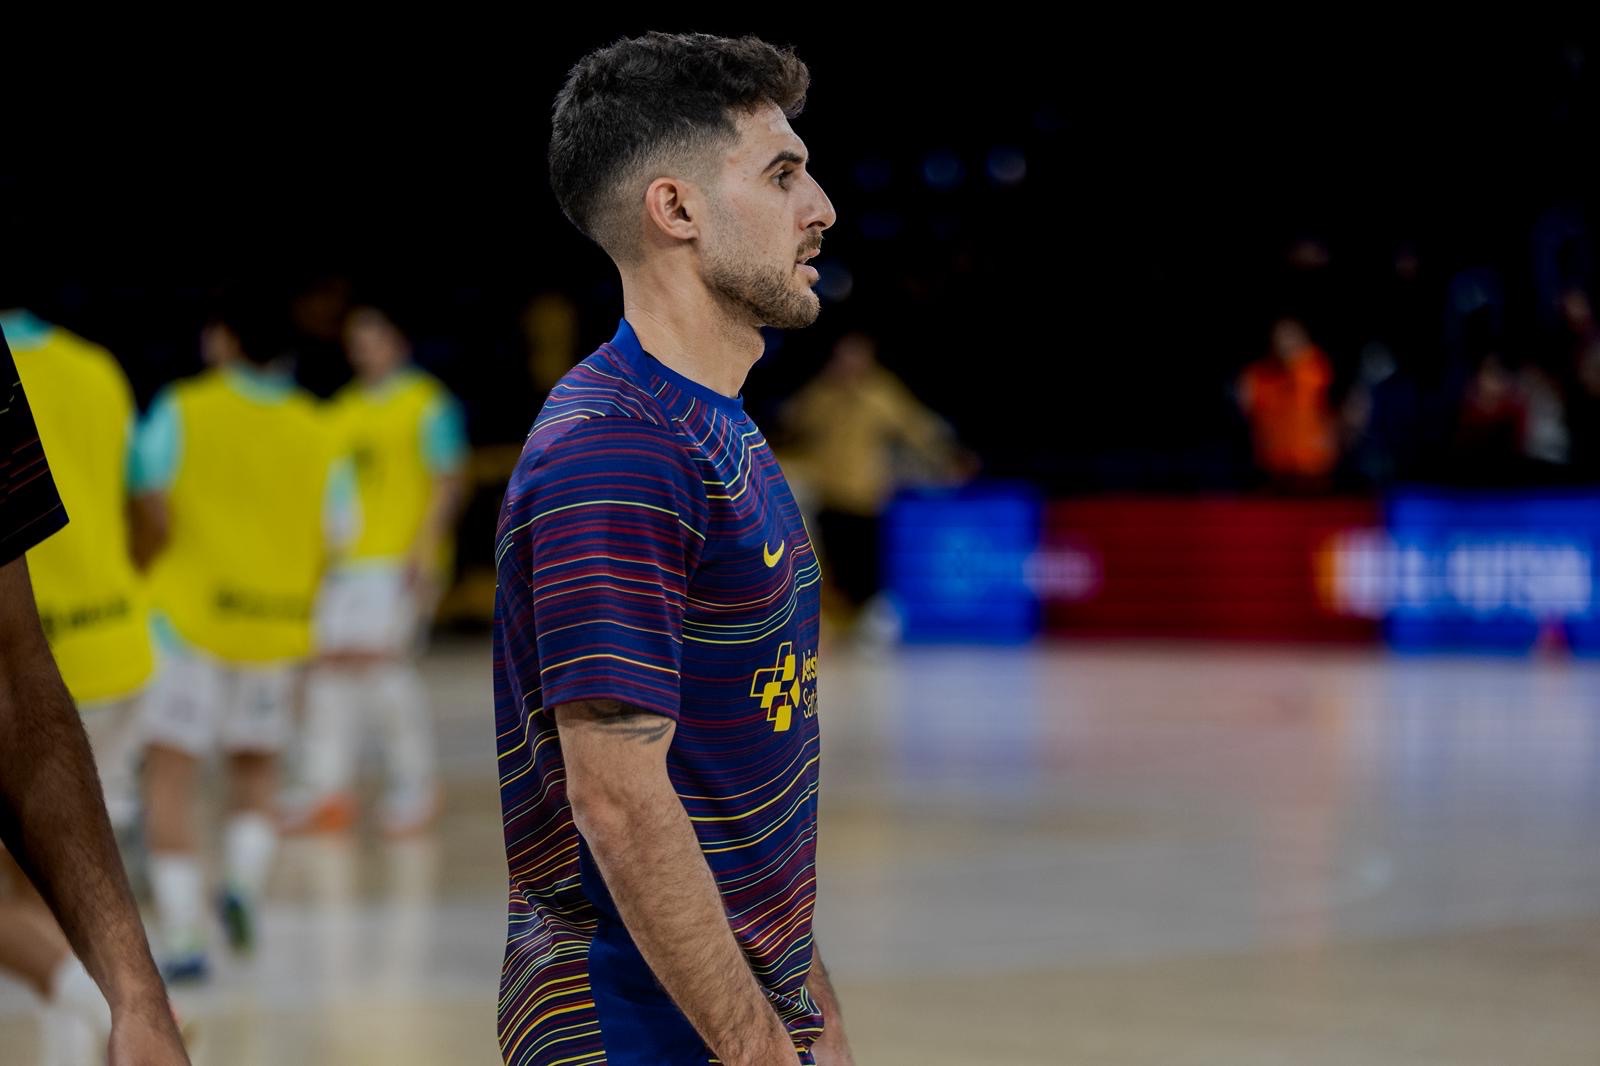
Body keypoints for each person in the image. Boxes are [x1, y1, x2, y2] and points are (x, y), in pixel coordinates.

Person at [492, 32, 852, 1065]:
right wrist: (758, 1049)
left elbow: (734, 792)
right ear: (677, 209)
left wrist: (814, 1016)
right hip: (634, 1024)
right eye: (781, 174)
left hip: (728, 1014)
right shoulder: (618, 450)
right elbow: (617, 796)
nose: (820, 207)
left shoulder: (714, 428)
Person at [133, 289, 341, 981]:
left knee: (171, 778)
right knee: (256, 772)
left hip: (187, 624)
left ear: (223, 339)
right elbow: (339, 531)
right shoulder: (317, 427)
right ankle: (243, 887)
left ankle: (185, 936)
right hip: (277, 626)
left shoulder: (183, 408)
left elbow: (147, 498)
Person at [0, 316, 189, 1064]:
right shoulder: (98, 369)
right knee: (87, 879)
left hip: (37, 663)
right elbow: (150, 512)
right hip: (117, 649)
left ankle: (96, 1017)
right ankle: (127, 1006)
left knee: (23, 900)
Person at [284, 304, 467, 836]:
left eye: (375, 339)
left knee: (385, 669)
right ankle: (327, 788)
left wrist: (424, 550)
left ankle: (415, 783)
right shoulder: (341, 411)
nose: (365, 351)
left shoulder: (426, 403)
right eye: (357, 342)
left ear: (398, 341)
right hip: (346, 565)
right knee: (328, 673)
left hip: (399, 560)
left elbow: (449, 481)